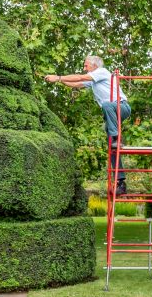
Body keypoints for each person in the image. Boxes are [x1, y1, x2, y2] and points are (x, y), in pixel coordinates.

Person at [45, 55, 131, 194]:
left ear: (94, 65)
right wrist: (58, 81)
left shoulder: (102, 72)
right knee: (112, 148)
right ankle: (121, 182)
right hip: (111, 113)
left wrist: (59, 77)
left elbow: (80, 78)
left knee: (107, 105)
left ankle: (117, 138)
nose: (84, 68)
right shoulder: (94, 80)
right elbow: (76, 84)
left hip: (121, 107)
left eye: (86, 65)